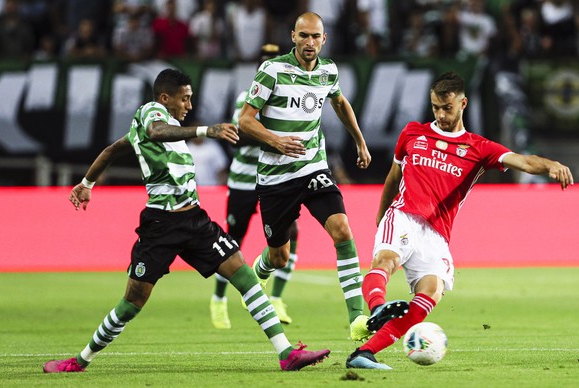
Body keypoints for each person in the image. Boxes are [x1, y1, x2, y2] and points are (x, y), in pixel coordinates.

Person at [42, 68, 330, 373]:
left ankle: (286, 353)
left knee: (243, 275)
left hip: (194, 220)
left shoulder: (162, 126)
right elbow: (155, 131)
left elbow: (114, 149)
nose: (189, 106)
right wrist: (206, 130)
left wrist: (87, 183)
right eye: (185, 99)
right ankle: (80, 360)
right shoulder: (151, 113)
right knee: (133, 301)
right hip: (161, 225)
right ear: (165, 98)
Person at [346, 71, 574, 370]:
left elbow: (524, 161)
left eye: (447, 108)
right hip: (403, 215)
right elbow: (394, 175)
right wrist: (381, 212)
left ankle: (365, 353)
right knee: (386, 261)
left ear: (463, 104)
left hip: (437, 234)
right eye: (436, 107)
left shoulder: (478, 148)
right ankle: (379, 308)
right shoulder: (413, 133)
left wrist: (551, 165)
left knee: (431, 291)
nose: (441, 114)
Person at [238, 12, 403, 342]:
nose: (310, 42)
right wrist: (276, 140)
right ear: (293, 37)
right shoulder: (272, 70)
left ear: (323, 39)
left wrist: (359, 140)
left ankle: (357, 318)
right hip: (275, 177)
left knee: (342, 229)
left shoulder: (329, 71)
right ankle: (259, 272)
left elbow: (340, 102)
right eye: (304, 36)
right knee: (279, 256)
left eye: (316, 36)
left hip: (313, 167)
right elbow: (245, 120)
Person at [210, 43, 300, 330]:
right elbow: (240, 135)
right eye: (264, 63)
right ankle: (219, 299)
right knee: (232, 242)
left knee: (291, 234)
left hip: (276, 179)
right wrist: (275, 137)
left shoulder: (292, 97)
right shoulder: (247, 97)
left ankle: (276, 298)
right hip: (244, 181)